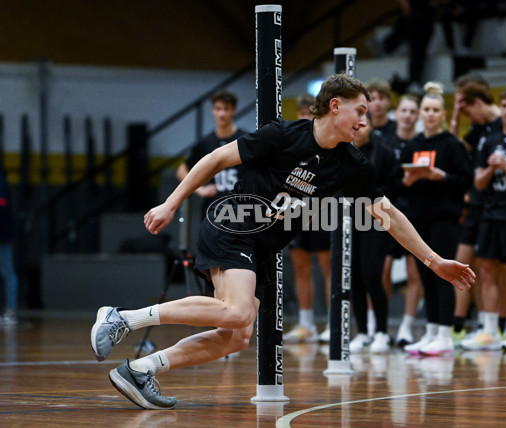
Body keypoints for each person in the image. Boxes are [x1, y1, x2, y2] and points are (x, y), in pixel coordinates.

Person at [90, 74, 475, 410]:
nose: (365, 120)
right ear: (335, 106)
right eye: (360, 111)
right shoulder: (284, 134)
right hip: (232, 221)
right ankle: (122, 318)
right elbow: (214, 160)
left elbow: (388, 215)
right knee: (240, 312)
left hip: (262, 247)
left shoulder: (352, 165)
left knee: (236, 336)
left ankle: (139, 370)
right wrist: (171, 203)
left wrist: (434, 261)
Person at [450, 74, 506, 341]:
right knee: (481, 266)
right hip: (485, 208)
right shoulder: (483, 134)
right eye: (505, 106)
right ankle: (483, 327)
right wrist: (455, 119)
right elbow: (456, 152)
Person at [399, 82, 473, 357]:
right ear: (420, 113)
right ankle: (430, 331)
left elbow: (466, 180)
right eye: (426, 109)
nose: (430, 114)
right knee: (425, 275)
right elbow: (399, 183)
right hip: (419, 217)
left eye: (435, 110)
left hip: (445, 217)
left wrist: (443, 176)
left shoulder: (452, 145)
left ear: (443, 114)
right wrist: (408, 180)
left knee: (443, 274)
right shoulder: (412, 146)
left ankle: (445, 333)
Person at [283, 94, 332, 343]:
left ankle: (335, 323)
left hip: (323, 212)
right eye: (300, 113)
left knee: (328, 267)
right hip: (296, 212)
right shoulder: (292, 144)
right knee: (301, 267)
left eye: (308, 113)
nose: (304, 117)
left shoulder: (327, 143)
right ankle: (306, 323)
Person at [348, 113, 398, 353]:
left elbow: (393, 185)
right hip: (349, 221)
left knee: (372, 275)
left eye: (363, 122)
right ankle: (363, 331)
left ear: (370, 124)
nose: (358, 127)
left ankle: (381, 331)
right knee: (354, 277)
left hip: (376, 221)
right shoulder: (342, 150)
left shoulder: (383, 152)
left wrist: (370, 197)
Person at [381, 94, 424, 347]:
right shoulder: (384, 141)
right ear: (396, 114)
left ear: (416, 116)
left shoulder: (421, 144)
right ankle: (381, 327)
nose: (407, 115)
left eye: (412, 111)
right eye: (404, 110)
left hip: (414, 210)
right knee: (382, 270)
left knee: (413, 271)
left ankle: (407, 326)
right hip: (386, 210)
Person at [176, 90, 247, 209]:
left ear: (234, 111)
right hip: (213, 206)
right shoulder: (206, 142)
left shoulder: (244, 139)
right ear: (213, 111)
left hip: (240, 205)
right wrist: (200, 189)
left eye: (226, 109)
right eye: (218, 109)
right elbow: (181, 171)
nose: (221, 114)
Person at [0, 165, 19, 326]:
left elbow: (2, 204)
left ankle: (11, 311)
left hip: (2, 235)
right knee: (7, 272)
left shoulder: (1, 181)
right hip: (4, 233)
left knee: (8, 272)